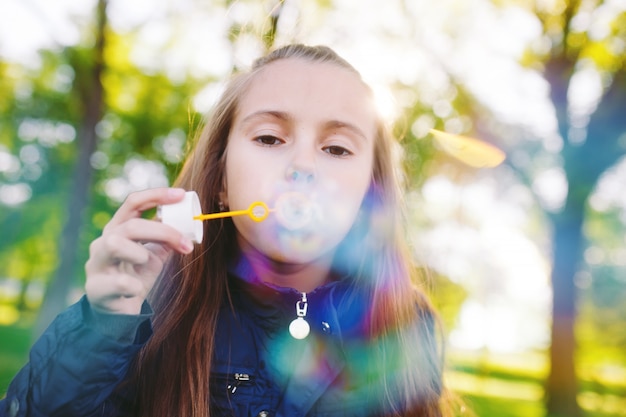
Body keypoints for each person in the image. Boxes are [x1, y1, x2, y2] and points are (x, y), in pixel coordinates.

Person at [1, 44, 451, 417]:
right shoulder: (148, 314)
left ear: (368, 195)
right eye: (270, 138)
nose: (303, 167)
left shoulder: (407, 325)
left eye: (336, 148)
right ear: (219, 183)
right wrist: (101, 328)